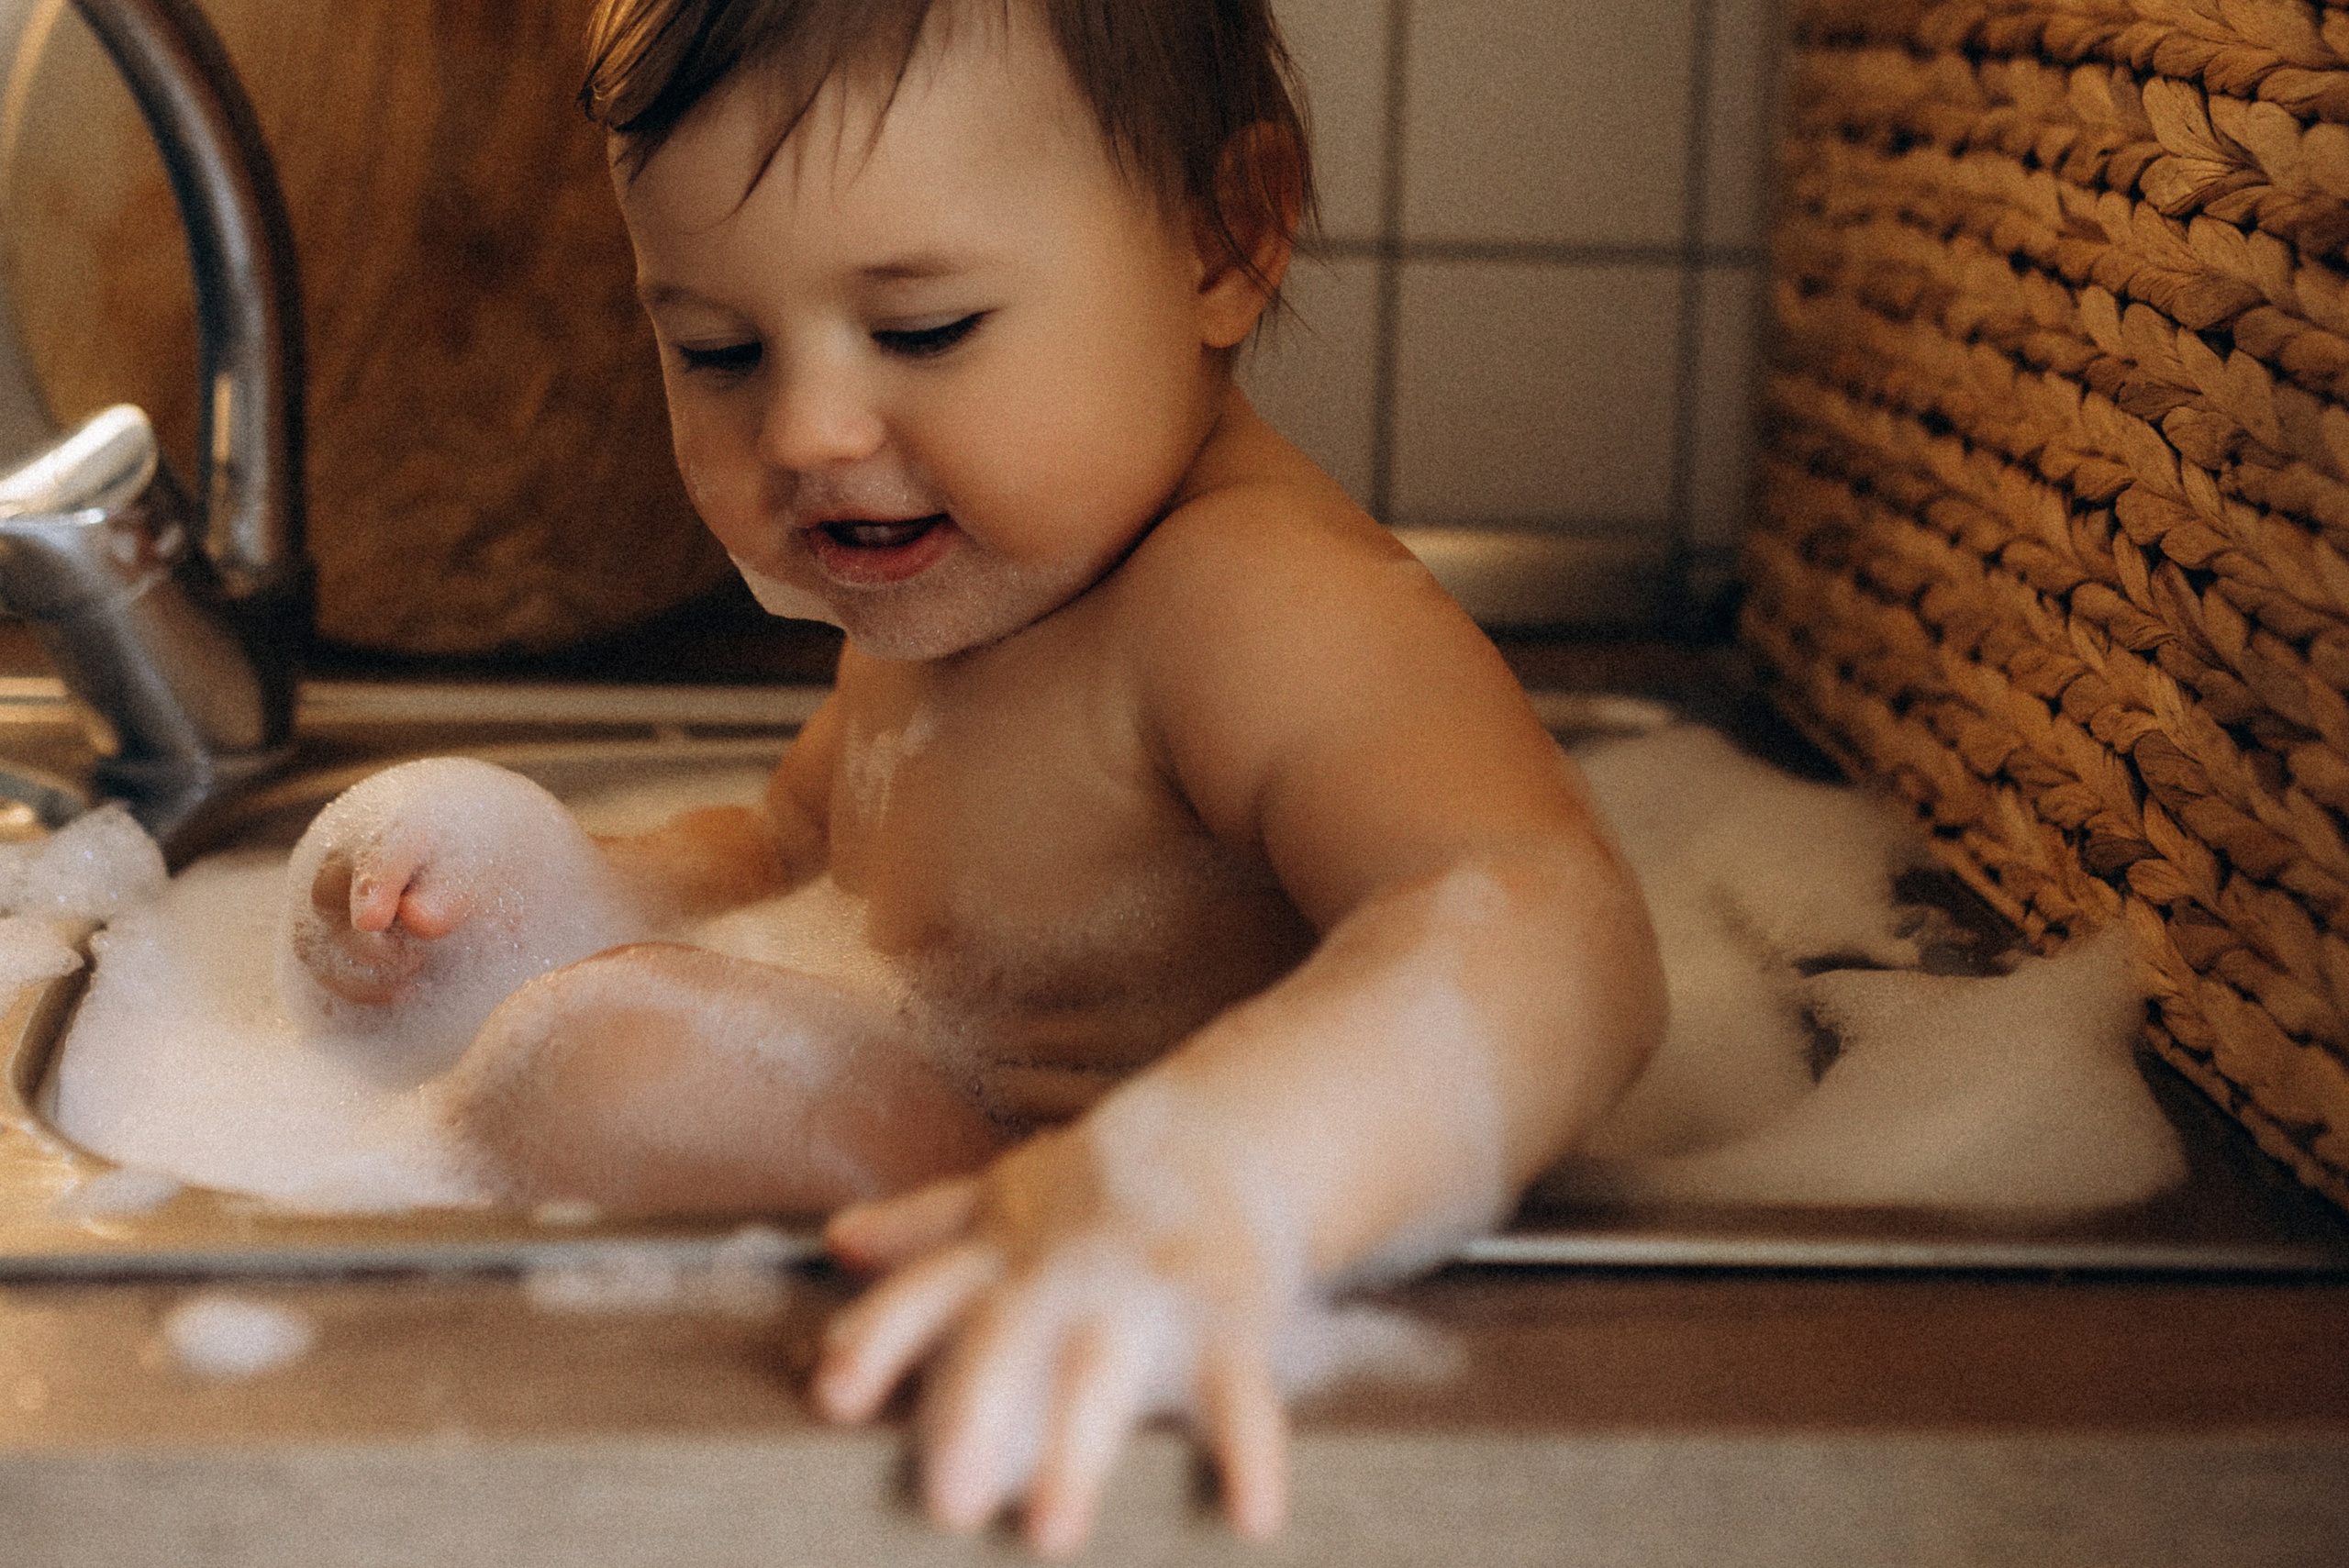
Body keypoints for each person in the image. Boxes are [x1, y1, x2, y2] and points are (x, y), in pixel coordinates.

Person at [290, 0, 1665, 1552]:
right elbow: (792, 841)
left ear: (1223, 245)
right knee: (585, 1033)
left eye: (925, 329)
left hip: (1139, 1346)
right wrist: (509, 900)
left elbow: (1555, 925)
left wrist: (1213, 1177)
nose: (810, 427)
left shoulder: (1254, 607)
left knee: (610, 1057)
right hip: (947, 1264)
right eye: (718, 349)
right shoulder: (964, 584)